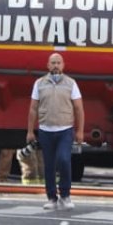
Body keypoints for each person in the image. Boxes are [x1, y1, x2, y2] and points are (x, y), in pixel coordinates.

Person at [26, 52, 84, 211]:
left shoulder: (71, 84)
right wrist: (30, 131)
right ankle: (52, 198)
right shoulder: (39, 84)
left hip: (65, 130)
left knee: (64, 160)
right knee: (49, 165)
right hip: (45, 130)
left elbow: (79, 108)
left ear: (63, 65)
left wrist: (80, 131)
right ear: (48, 65)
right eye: (53, 63)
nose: (56, 65)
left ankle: (65, 195)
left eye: (58, 62)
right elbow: (33, 108)